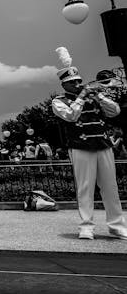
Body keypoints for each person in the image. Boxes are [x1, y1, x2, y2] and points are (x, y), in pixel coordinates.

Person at [51, 46, 127, 240]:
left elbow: (115, 112)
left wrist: (100, 96)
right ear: (64, 85)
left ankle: (117, 226)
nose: (77, 84)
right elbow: (70, 116)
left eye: (78, 81)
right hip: (80, 147)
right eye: (72, 82)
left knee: (110, 188)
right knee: (85, 188)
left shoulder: (93, 98)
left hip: (103, 145)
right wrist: (83, 96)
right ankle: (86, 226)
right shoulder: (59, 101)